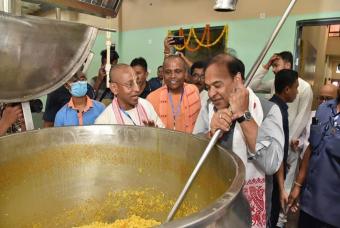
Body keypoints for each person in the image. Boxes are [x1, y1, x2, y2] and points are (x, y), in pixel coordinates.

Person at [194, 53, 274, 227]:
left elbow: (270, 164)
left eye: (217, 85)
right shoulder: (208, 109)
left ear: (237, 79)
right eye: (208, 87)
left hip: (251, 208)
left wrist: (243, 115)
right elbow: (193, 152)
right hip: (213, 201)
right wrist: (210, 133)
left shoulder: (268, 110)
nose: (211, 93)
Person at [249, 51, 313, 227]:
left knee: (286, 184)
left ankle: (281, 221)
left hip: (291, 143)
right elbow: (253, 85)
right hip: (274, 142)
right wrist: (266, 66)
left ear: (288, 65)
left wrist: (292, 138)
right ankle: (272, 217)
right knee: (274, 186)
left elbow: (303, 115)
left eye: (276, 65)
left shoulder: (304, 87)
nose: (273, 70)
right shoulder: (277, 83)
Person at [288, 88, 340, 228]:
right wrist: (298, 186)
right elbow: (312, 147)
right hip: (309, 203)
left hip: (332, 212)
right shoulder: (323, 109)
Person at [268, 69, 299, 227]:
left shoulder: (276, 106)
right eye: (296, 87)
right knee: (273, 211)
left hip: (278, 167)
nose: (297, 91)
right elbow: (276, 146)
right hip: (273, 174)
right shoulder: (277, 110)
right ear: (287, 89)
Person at [95, 64, 164, 127]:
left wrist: (155, 134)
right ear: (114, 88)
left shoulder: (146, 105)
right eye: (130, 84)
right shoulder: (104, 122)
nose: (137, 89)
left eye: (137, 82)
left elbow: (163, 134)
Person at [147, 55, 201, 133]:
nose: (173, 76)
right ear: (163, 74)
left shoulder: (193, 91)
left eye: (178, 71)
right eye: (168, 72)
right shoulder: (152, 98)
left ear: (185, 73)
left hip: (190, 143)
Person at [291, 84, 338, 156]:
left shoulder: (337, 120)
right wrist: (298, 142)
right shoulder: (311, 115)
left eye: (328, 99)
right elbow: (306, 137)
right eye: (321, 98)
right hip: (306, 161)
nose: (324, 102)